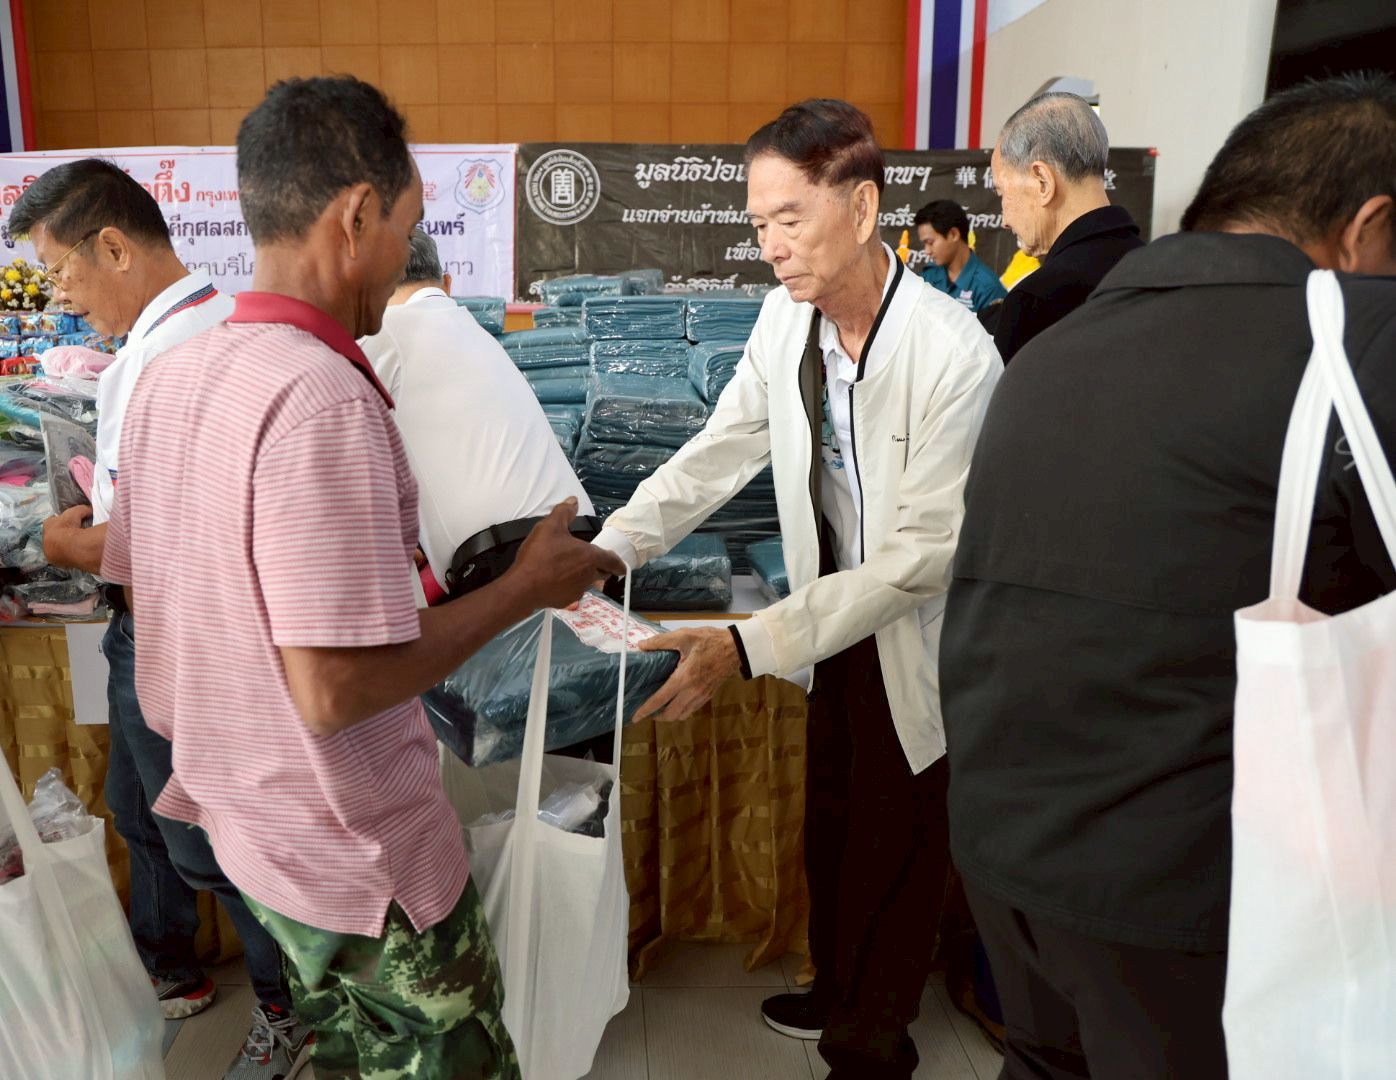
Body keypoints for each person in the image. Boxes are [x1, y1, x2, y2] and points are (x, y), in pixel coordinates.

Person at [99, 76, 622, 1077]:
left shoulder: (173, 375)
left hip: (253, 831)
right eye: (406, 229)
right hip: (356, 853)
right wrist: (524, 586)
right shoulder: (322, 398)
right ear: (355, 216)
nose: (405, 262)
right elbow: (337, 687)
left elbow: (150, 595)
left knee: (343, 1053)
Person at [941, 72, 1396, 1080]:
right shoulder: (1351, 343)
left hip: (1005, 853)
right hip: (1190, 892)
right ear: (1369, 228)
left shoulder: (1049, 347)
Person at [589, 99, 1003, 1078]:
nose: (769, 246)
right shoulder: (788, 320)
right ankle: (835, 989)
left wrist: (743, 645)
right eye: (758, 222)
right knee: (832, 819)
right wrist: (612, 548)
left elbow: (918, 560)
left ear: (860, 209)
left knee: (897, 843)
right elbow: (724, 445)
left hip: (911, 635)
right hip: (828, 628)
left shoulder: (955, 354)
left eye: (789, 218)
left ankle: (873, 1042)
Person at [6, 161, 314, 1079]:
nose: (60, 296)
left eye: (60, 271)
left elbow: (175, 536)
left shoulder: (169, 358)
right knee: (141, 813)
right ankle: (172, 967)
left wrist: (71, 548)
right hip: (155, 630)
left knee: (212, 843)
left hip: (184, 635)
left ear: (112, 246)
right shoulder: (191, 330)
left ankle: (290, 1007)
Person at [360, 229, 595, 603]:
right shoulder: (476, 333)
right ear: (447, 283)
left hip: (504, 556)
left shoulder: (382, 333)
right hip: (579, 535)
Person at [988, 92, 1144, 362]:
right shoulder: (1154, 270)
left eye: (1002, 193)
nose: (1004, 219)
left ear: (1042, 181)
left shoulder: (1037, 302)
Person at [915, 200, 1006, 314]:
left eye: (930, 242)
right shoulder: (928, 276)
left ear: (954, 234)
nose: (927, 251)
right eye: (924, 244)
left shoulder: (988, 289)